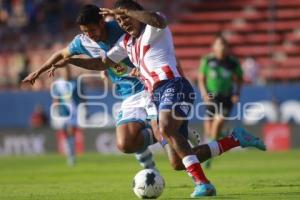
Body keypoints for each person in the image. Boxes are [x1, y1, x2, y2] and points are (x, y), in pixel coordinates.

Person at [44, 0, 266, 197]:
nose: (123, 24)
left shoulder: (153, 29)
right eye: (120, 22)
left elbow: (157, 20)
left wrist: (121, 11)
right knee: (178, 162)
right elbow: (102, 64)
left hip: (174, 86)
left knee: (167, 127)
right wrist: (71, 61)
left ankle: (203, 184)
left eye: (126, 19)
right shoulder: (126, 44)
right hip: (156, 95)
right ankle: (236, 139)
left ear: (137, 15)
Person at [198, 35, 243, 168]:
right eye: (219, 45)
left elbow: (240, 78)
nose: (221, 48)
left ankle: (209, 158)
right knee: (209, 132)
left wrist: (237, 93)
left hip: (226, 97)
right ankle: (224, 135)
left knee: (218, 122)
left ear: (228, 48)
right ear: (214, 47)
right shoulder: (208, 60)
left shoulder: (233, 62)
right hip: (211, 96)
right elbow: (201, 78)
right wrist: (204, 93)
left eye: (224, 45)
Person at [51, 67, 84, 166]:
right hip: (63, 111)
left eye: (68, 71)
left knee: (71, 131)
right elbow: (55, 98)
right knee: (65, 133)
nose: (66, 73)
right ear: (61, 72)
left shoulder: (76, 82)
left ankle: (71, 156)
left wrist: (84, 106)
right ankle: (70, 153)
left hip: (74, 111)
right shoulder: (58, 84)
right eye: (64, 71)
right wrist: (56, 109)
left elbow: (82, 96)